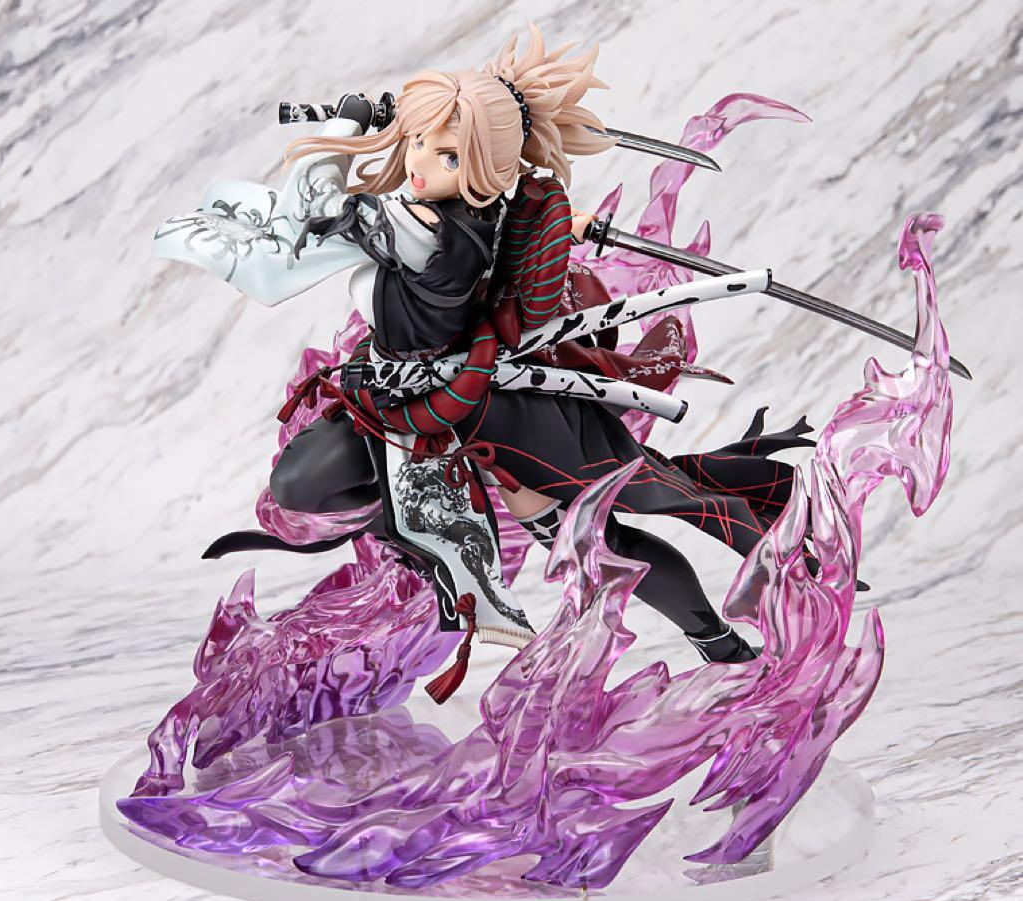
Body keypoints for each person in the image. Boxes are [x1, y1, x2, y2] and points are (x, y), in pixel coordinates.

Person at [154, 24, 813, 677]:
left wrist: (350, 124)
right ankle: (428, 546)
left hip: (480, 406)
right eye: (416, 141)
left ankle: (718, 637)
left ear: (483, 166)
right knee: (306, 481)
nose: (417, 162)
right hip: (399, 390)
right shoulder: (477, 204)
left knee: (595, 540)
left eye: (444, 153)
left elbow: (308, 207)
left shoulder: (426, 232)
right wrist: (426, 132)